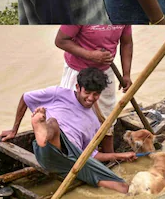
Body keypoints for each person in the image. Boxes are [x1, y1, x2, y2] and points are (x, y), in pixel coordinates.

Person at [0, 68, 136, 193]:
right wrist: (14, 130)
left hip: (70, 161)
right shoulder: (58, 93)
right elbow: (26, 97)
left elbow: (90, 154)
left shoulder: (94, 121)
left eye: (95, 94)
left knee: (123, 187)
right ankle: (43, 132)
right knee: (53, 123)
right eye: (87, 92)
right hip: (48, 149)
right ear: (78, 87)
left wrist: (120, 156)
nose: (90, 98)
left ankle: (45, 132)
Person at [54, 25, 133, 154]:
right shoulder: (83, 12)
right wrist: (90, 55)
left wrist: (126, 74)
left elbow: (127, 42)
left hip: (105, 70)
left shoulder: (122, 15)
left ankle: (109, 153)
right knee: (72, 114)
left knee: (108, 113)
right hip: (78, 70)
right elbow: (60, 40)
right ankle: (73, 153)